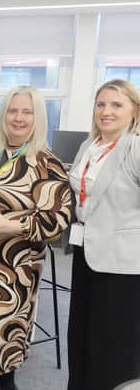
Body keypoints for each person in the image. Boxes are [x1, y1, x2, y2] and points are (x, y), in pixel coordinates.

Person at [0, 86, 72, 390]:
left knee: (1, 326)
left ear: (38, 118)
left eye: (26, 112)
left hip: (17, 265)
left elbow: (58, 219)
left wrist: (14, 227)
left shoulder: (47, 163)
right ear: (3, 113)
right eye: (12, 110)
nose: (18, 118)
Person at [66, 79, 140, 390]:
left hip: (123, 263)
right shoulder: (89, 146)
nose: (106, 111)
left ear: (134, 110)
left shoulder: (135, 147)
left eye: (116, 105)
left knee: (112, 344)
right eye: (101, 104)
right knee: (82, 336)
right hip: (86, 254)